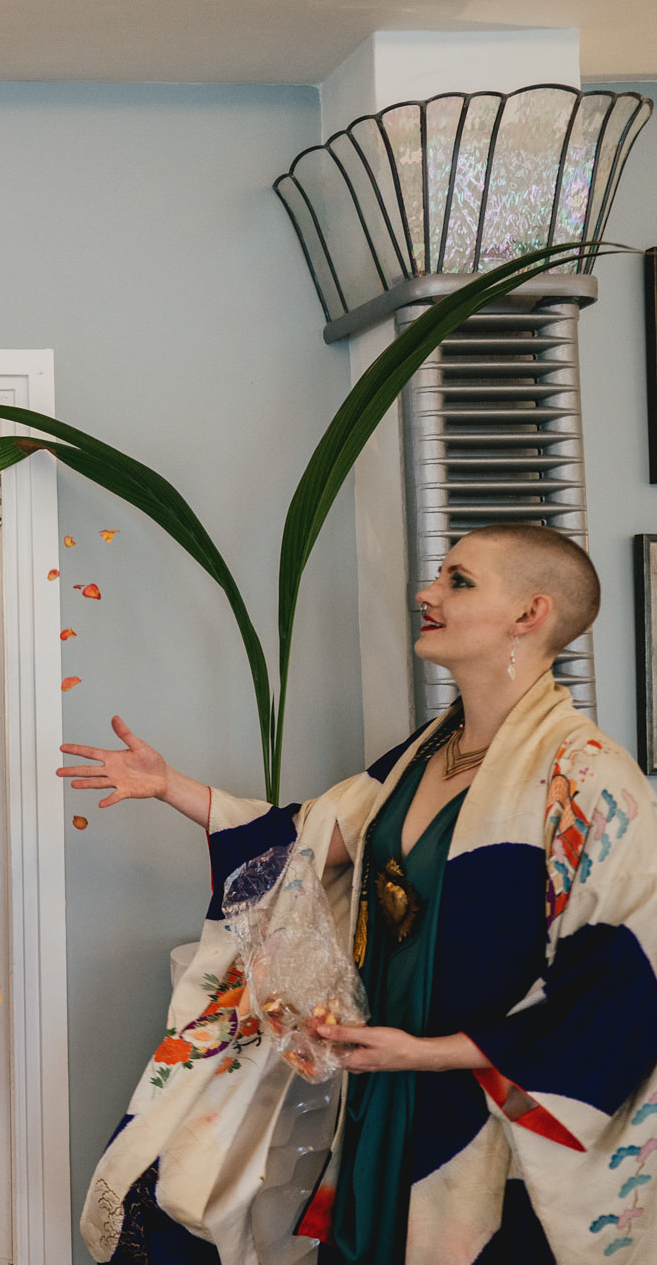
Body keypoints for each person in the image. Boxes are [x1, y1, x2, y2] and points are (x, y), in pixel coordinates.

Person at [69, 524, 657, 1263]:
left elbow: (625, 982)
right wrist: (168, 786)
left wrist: (433, 1053)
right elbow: (306, 839)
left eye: (459, 581)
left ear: (530, 614)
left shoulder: (593, 781)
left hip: (485, 1106)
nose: (427, 592)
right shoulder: (425, 753)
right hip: (380, 1085)